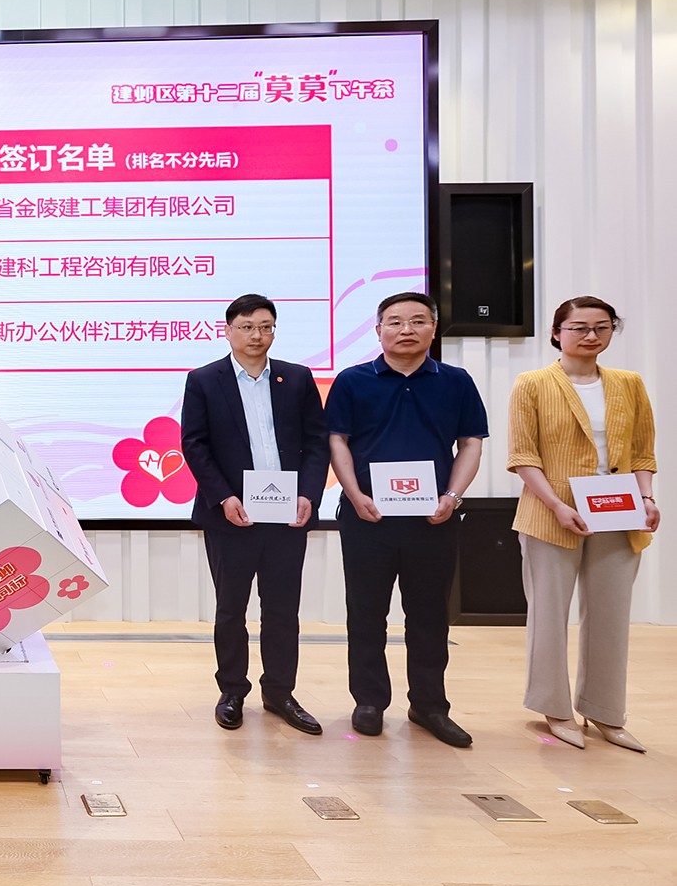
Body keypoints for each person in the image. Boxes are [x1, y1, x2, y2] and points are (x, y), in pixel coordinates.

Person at [327, 292, 487, 748]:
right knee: (366, 613)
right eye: (395, 322)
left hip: (432, 519)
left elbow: (471, 442)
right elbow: (337, 441)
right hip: (368, 517)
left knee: (430, 615)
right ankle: (369, 701)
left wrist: (452, 497)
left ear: (433, 329)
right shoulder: (353, 380)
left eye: (418, 321)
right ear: (378, 330)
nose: (406, 330)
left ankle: (430, 705)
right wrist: (354, 494)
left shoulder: (455, 381)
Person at [507, 296, 658, 752]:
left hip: (618, 511)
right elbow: (523, 455)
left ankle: (606, 711)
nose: (591, 336)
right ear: (557, 333)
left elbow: (642, 452)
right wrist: (556, 505)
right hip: (550, 513)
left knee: (611, 615)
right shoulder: (533, 383)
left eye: (601, 327)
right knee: (549, 614)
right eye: (579, 328)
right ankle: (555, 709)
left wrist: (647, 497)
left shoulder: (629, 383)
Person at [181, 295, 330, 735]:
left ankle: (280, 692)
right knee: (231, 609)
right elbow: (195, 445)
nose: (256, 335)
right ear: (228, 331)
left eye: (265, 327)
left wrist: (309, 493)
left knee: (282, 610)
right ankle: (232, 691)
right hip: (231, 515)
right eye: (247, 327)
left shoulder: (296, 378)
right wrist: (223, 497)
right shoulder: (204, 380)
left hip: (287, 515)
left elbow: (316, 441)